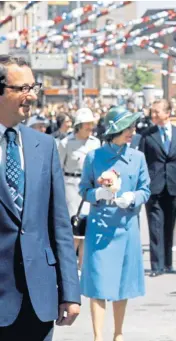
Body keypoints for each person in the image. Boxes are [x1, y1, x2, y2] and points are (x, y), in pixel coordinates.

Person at [0, 55, 80, 340]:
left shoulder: (43, 145)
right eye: (22, 88)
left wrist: (70, 292)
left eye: (33, 87)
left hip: (39, 300)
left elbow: (59, 223)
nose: (31, 96)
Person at [79, 106, 151, 341]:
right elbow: (84, 189)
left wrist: (132, 198)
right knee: (98, 283)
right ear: (114, 130)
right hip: (99, 227)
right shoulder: (94, 156)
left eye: (132, 127)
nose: (132, 131)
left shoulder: (137, 157)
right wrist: (97, 194)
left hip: (126, 228)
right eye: (127, 127)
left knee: (122, 284)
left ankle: (118, 334)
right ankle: (98, 336)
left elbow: (145, 190)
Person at [140, 99, 176, 277]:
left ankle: (168, 263)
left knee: (169, 225)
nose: (153, 115)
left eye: (157, 112)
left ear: (168, 112)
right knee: (155, 225)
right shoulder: (147, 135)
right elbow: (142, 160)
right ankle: (157, 265)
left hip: (173, 185)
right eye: (152, 112)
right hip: (153, 186)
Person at [57, 108, 101, 272]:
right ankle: (67, 266)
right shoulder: (66, 143)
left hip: (89, 187)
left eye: (91, 124)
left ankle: (82, 266)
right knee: (73, 228)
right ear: (79, 126)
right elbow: (58, 167)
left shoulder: (95, 143)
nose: (90, 127)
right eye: (87, 124)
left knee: (86, 230)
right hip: (71, 187)